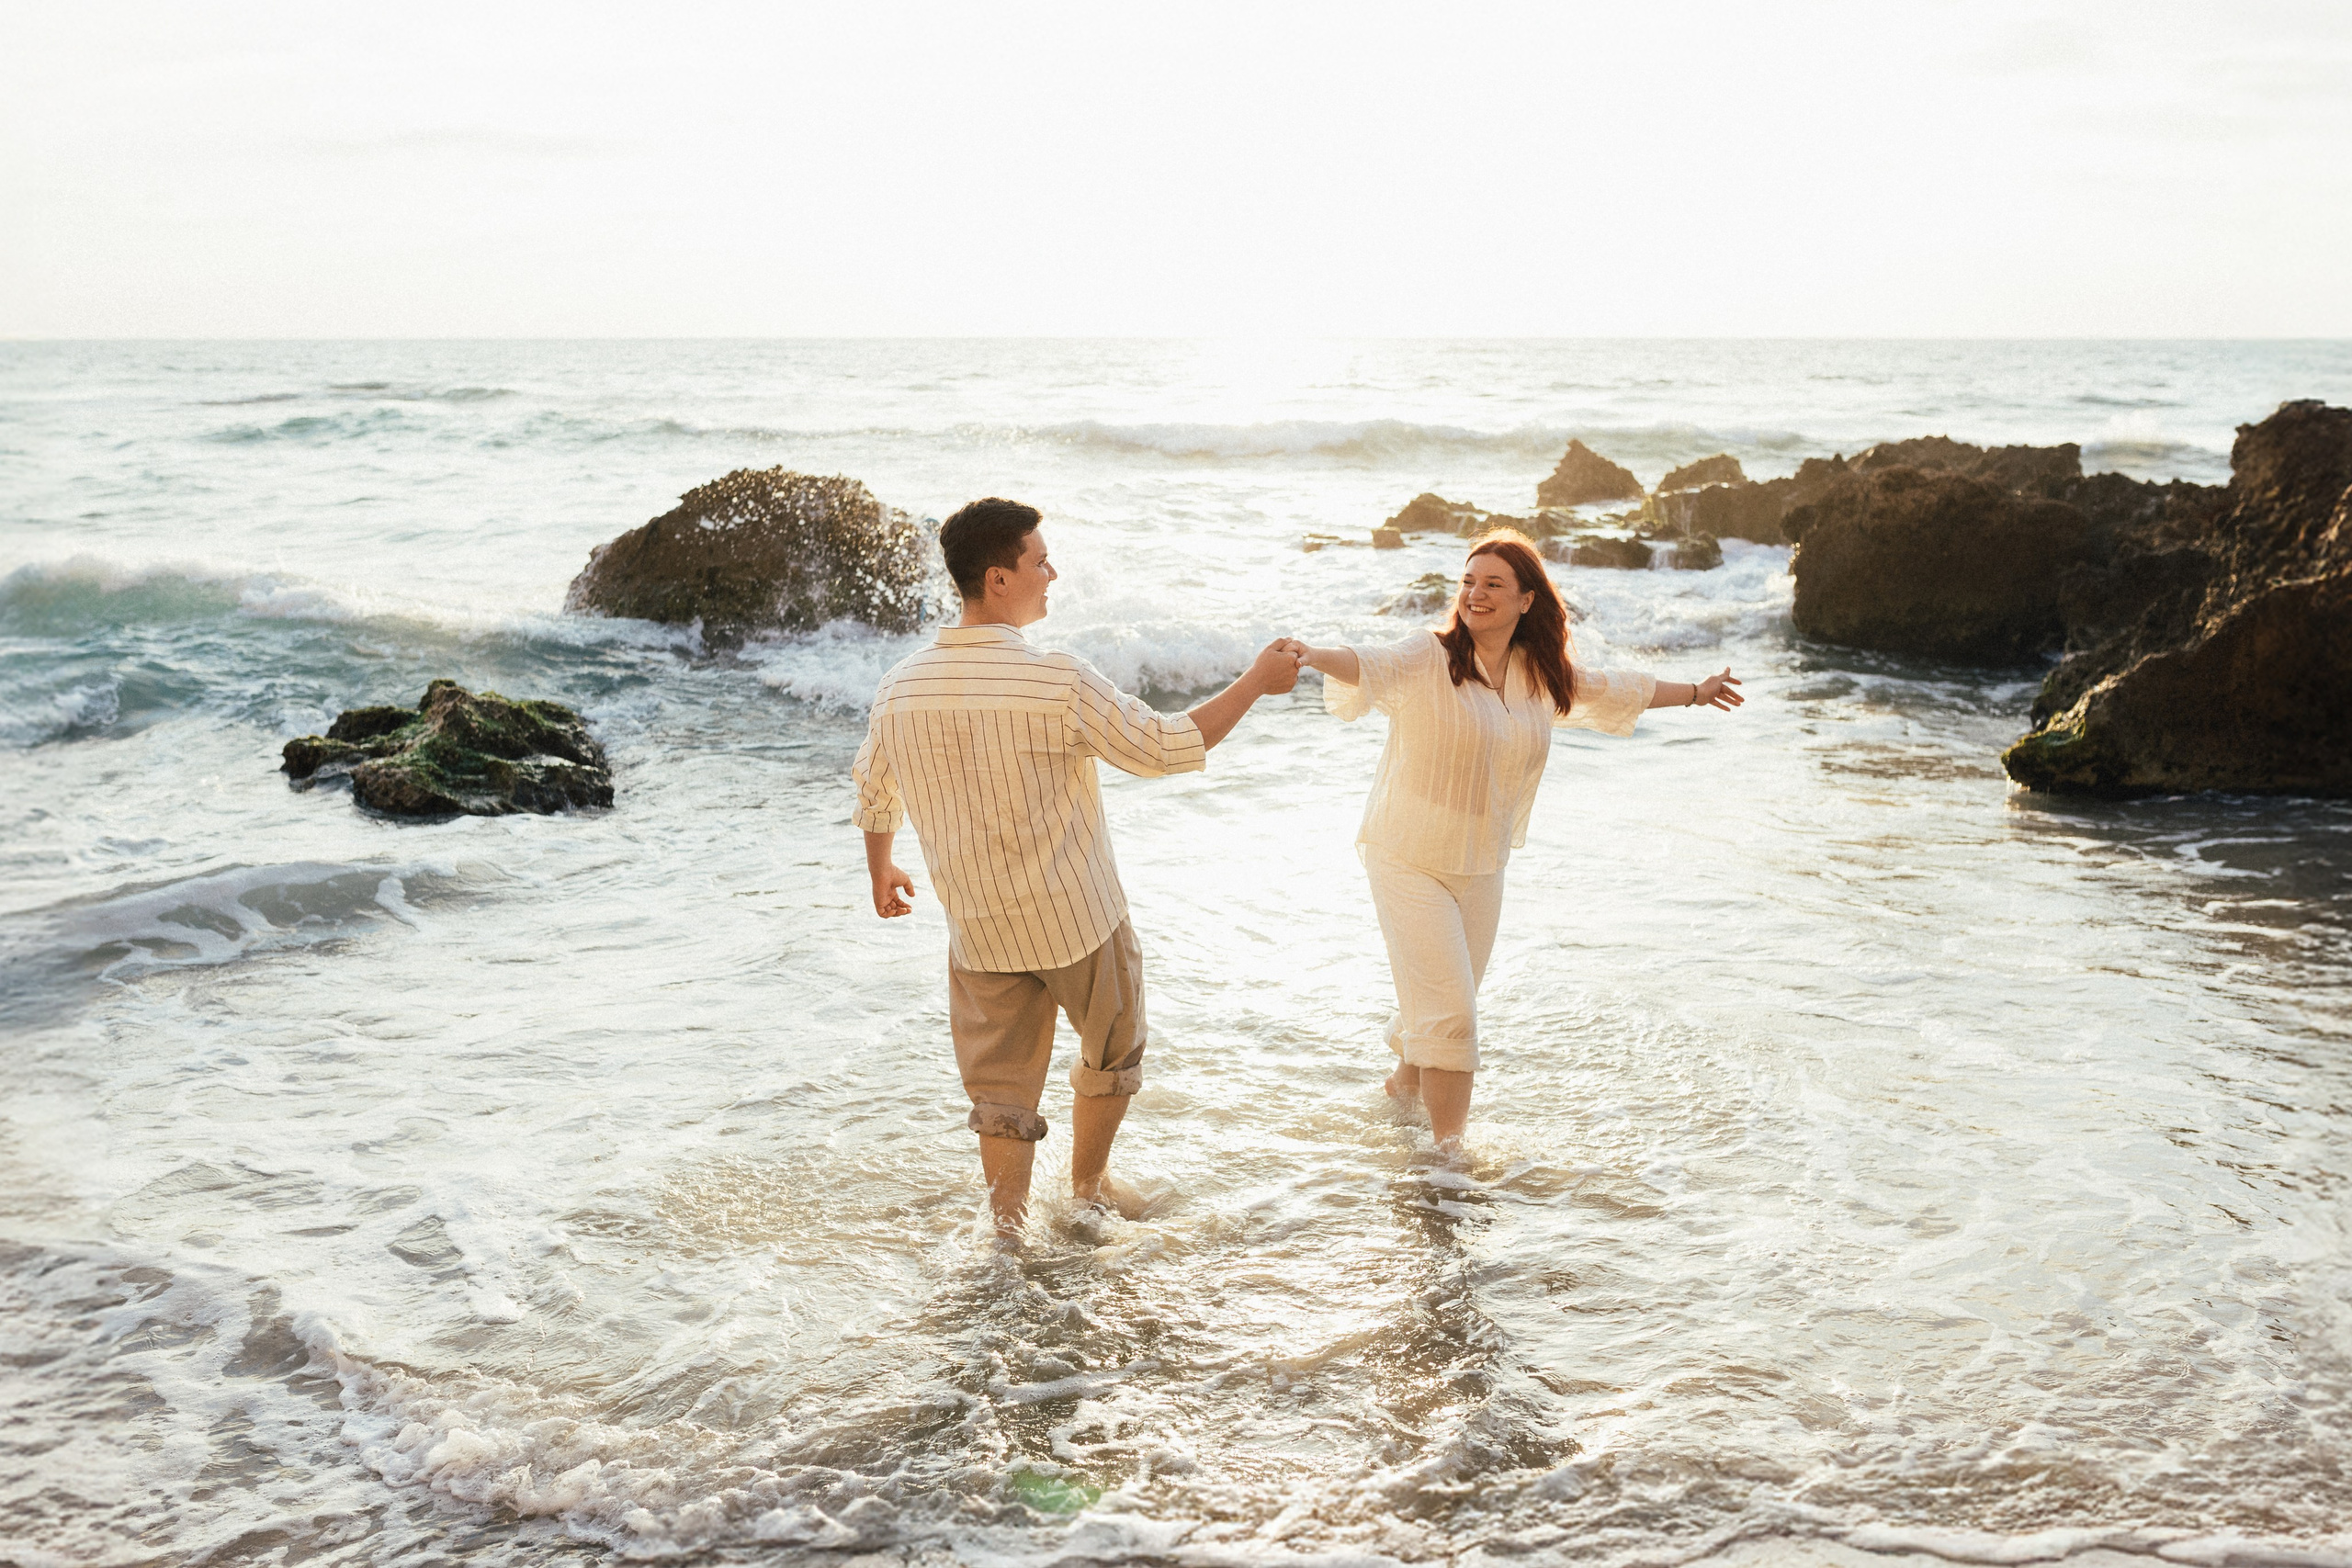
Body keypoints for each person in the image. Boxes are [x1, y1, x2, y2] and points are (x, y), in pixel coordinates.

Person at [853, 497, 1302, 1237]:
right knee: (1114, 1048)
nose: (1051, 572)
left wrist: (882, 868)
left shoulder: (901, 684)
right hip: (1078, 919)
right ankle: (1088, 1191)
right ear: (999, 579)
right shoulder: (1056, 678)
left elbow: (873, 784)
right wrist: (1255, 680)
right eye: (1039, 560)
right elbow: (1165, 747)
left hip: (982, 928)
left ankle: (1006, 1231)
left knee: (999, 1088)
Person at [1285, 527, 1742, 1148]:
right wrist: (1311, 653)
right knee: (1455, 1014)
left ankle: (1402, 1090)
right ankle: (1448, 1162)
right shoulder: (1428, 655)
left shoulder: (1536, 673)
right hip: (1407, 856)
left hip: (1481, 864)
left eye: (1493, 583)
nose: (1476, 593)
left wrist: (1695, 693)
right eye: (1468, 581)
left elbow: (1613, 688)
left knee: (1445, 998)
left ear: (1526, 600)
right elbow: (1369, 663)